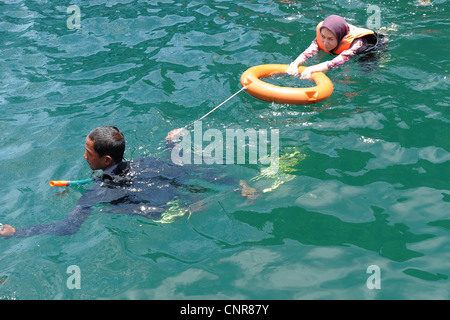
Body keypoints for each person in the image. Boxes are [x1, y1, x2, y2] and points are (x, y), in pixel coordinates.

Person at [0, 126, 257, 239]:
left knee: (117, 208)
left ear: (106, 159)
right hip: (173, 187)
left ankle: (184, 209)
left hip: (156, 207)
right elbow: (183, 170)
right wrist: (172, 145)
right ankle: (238, 186)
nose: (84, 156)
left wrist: (17, 233)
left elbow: (68, 228)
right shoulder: (146, 162)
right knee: (181, 175)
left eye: (88, 153)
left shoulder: (98, 192)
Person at [286, 15, 387, 79]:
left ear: (339, 37)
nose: (325, 42)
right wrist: (295, 63)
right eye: (323, 37)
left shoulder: (356, 44)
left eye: (330, 39)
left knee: (368, 71)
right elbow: (308, 52)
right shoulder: (323, 34)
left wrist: (310, 69)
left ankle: (385, 33)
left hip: (370, 48)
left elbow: (335, 63)